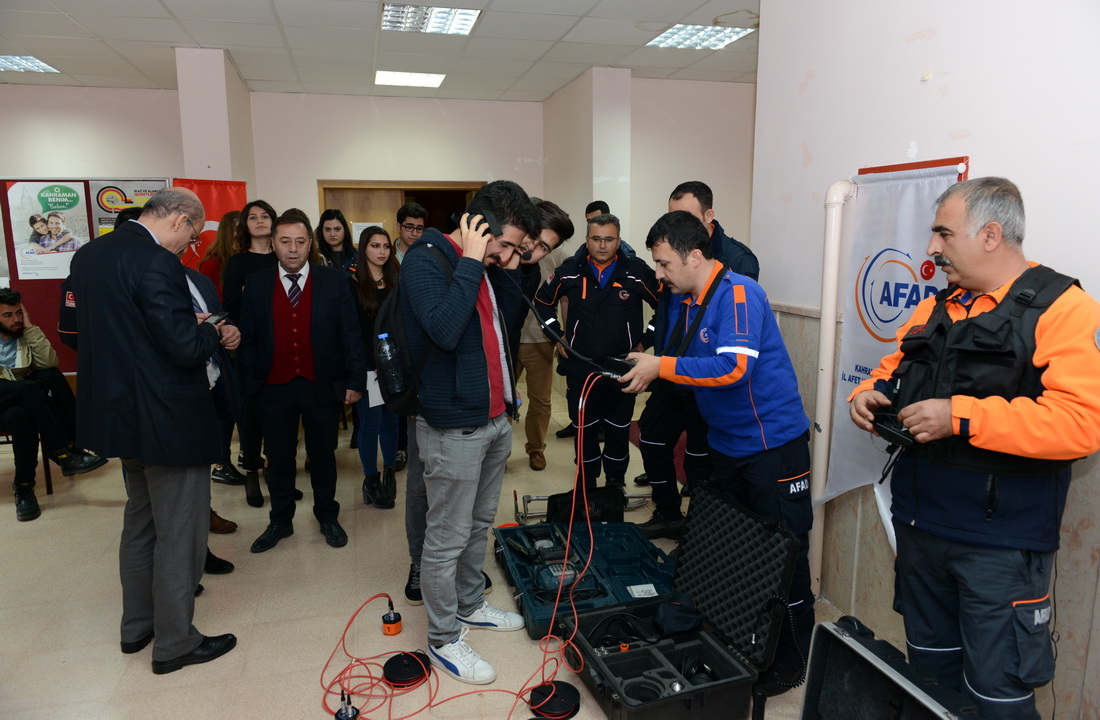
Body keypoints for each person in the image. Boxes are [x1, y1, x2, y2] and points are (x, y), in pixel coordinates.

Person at [848, 177, 1100, 720]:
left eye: (943, 234)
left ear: (990, 235)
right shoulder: (935, 307)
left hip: (999, 549)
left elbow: (1081, 424)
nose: (931, 248)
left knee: (997, 697)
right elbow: (890, 372)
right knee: (930, 680)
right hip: (920, 530)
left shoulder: (1066, 310)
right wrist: (866, 395)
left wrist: (960, 416)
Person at [619, 210, 814, 693]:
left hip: (771, 448)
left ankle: (791, 663)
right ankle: (747, 644)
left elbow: (732, 369)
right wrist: (650, 363)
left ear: (695, 256)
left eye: (664, 263)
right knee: (741, 551)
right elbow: (683, 362)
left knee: (784, 559)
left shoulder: (740, 293)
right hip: (726, 446)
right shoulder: (686, 300)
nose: (658, 274)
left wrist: (661, 366)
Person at [68, 187, 237, 674]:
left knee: (140, 522)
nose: (190, 246)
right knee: (180, 531)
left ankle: (137, 626)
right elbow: (185, 348)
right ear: (181, 219)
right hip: (167, 418)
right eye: (193, 235)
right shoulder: (158, 261)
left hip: (120, 415)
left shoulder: (90, 255)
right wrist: (209, 327)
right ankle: (176, 643)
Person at [402, 180, 539, 685]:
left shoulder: (486, 267)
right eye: (505, 245)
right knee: (446, 538)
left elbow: (502, 329)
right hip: (453, 424)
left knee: (478, 525)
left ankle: (469, 603)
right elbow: (444, 330)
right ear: (477, 227)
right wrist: (473, 260)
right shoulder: (426, 259)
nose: (507, 256)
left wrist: (499, 263)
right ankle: (443, 639)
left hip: (494, 418)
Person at [634, 180, 762, 531]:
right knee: (652, 437)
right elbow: (665, 314)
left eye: (686, 217)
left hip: (707, 376)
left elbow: (732, 358)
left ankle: (698, 533)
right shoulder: (670, 261)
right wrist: (652, 352)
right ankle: (668, 514)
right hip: (671, 368)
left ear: (708, 216)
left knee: (700, 460)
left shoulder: (736, 267)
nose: (676, 226)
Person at [238, 211, 366, 554]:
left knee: (323, 455)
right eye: (285, 241)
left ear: (310, 244)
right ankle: (280, 520)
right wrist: (252, 385)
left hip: (320, 384)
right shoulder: (257, 283)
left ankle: (327, 515)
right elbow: (248, 339)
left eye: (299, 241)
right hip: (272, 388)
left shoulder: (333, 281)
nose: (292, 249)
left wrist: (355, 379)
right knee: (278, 458)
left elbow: (351, 333)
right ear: (273, 244)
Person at [535, 212, 659, 488]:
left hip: (621, 367)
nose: (602, 245)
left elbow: (666, 306)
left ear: (618, 241)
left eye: (609, 239)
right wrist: (557, 336)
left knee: (618, 428)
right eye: (596, 238)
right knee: (584, 428)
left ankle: (615, 483)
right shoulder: (569, 269)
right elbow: (542, 303)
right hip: (581, 365)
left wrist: (645, 340)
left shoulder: (636, 272)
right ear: (587, 240)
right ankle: (587, 483)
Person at [0, 288, 105, 521]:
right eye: (8, 315)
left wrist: (30, 327)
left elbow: (49, 362)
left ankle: (24, 487)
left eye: (19, 313)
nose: (16, 319)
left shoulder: (23, 336)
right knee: (29, 388)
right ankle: (64, 451)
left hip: (14, 402)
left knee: (28, 405)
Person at [221, 200, 278, 506]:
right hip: (251, 348)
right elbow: (230, 307)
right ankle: (252, 473)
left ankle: (277, 475)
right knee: (252, 414)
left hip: (283, 344)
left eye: (265, 216)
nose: (259, 221)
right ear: (245, 225)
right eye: (253, 217)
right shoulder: (238, 263)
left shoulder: (284, 257)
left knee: (281, 415)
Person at [514, 199, 573, 471]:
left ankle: (536, 449)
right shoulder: (510, 248)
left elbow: (565, 298)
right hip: (508, 339)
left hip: (540, 339)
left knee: (540, 401)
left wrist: (563, 336)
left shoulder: (559, 254)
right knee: (501, 399)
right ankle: (496, 451)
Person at [352, 226, 399, 508]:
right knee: (371, 424)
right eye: (375, 246)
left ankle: (390, 472)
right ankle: (371, 479)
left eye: (386, 246)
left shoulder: (396, 279)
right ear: (363, 249)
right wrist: (368, 366)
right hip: (368, 367)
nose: (382, 252)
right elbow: (352, 331)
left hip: (394, 364)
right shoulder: (353, 282)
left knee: (392, 421)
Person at [198, 209, 241, 300]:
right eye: (238, 230)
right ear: (227, 233)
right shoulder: (211, 264)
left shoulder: (250, 259)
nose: (244, 234)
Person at [316, 208, 358, 274]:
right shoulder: (316, 256)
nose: (332, 234)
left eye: (337, 229)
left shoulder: (358, 256)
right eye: (327, 229)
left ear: (345, 230)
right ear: (321, 231)